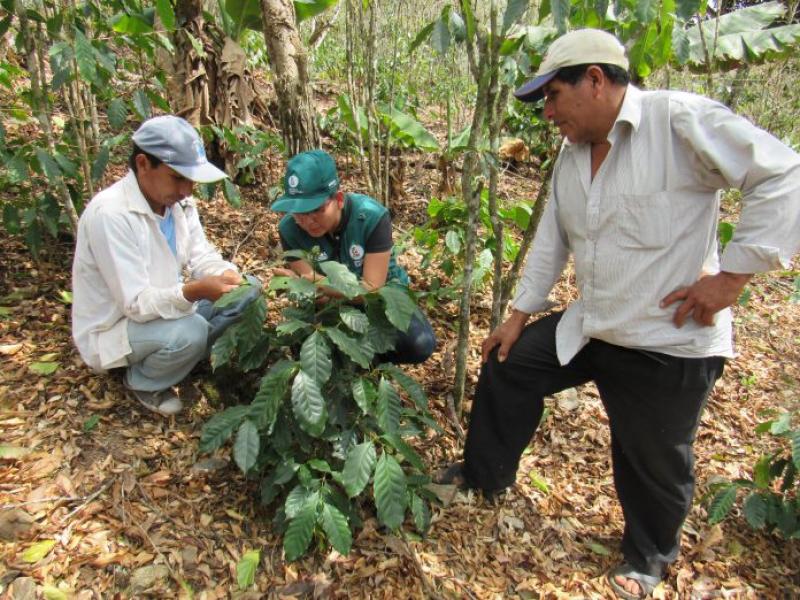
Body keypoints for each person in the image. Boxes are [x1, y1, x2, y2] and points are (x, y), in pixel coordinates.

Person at [437, 29, 800, 599]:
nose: (549, 113)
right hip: (595, 322)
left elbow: (782, 172)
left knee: (650, 452)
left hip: (667, 337)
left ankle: (649, 555)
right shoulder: (571, 154)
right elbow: (553, 238)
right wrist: (518, 315)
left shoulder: (678, 121)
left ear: (596, 81)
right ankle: (484, 475)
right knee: (509, 365)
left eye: (554, 96)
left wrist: (731, 279)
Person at [72, 115, 261, 417]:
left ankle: (182, 357)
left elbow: (200, 255)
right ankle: (144, 382)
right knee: (192, 331)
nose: (187, 189)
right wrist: (194, 291)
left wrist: (223, 273)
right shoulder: (111, 215)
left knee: (249, 290)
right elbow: (135, 303)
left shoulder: (179, 203)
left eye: (191, 180)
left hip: (164, 311)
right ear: (144, 164)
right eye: (178, 177)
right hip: (119, 325)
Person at [271, 149, 436, 364]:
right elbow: (313, 293)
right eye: (298, 212)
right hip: (331, 306)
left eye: (316, 210)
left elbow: (370, 289)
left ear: (338, 199)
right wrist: (312, 287)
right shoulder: (289, 229)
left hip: (384, 300)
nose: (307, 220)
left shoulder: (370, 216)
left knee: (418, 344)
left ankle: (376, 364)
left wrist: (312, 283)